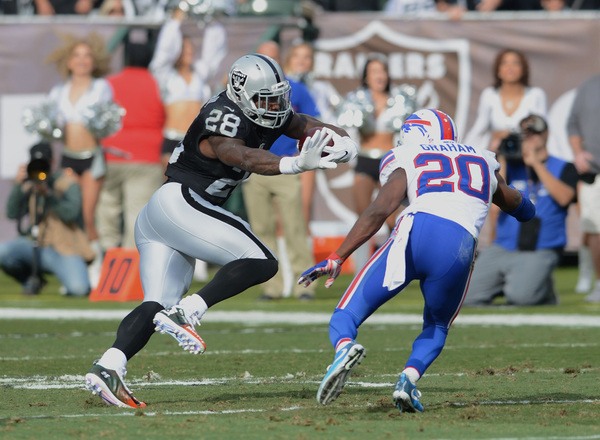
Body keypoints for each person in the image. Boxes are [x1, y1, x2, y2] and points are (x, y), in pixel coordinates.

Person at [84, 53, 358, 408]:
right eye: (265, 99)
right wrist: (292, 164)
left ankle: (109, 365)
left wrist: (344, 141)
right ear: (241, 93)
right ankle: (189, 310)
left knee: (156, 305)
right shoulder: (223, 114)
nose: (275, 106)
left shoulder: (265, 110)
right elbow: (238, 155)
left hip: (164, 215)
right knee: (262, 260)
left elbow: (305, 124)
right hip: (180, 203)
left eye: (278, 97)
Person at [298, 109, 535, 413]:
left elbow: (381, 208)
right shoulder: (482, 159)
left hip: (416, 233)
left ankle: (344, 347)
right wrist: (528, 207)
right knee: (437, 324)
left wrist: (337, 256)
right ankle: (408, 379)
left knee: (347, 313)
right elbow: (517, 205)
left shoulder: (407, 154)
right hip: (461, 246)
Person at [464, 114, 578, 306]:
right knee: (466, 296)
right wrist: (500, 158)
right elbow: (494, 203)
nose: (530, 138)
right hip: (504, 245)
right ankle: (518, 281)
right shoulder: (510, 167)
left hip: (541, 247)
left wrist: (536, 164)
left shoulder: (564, 167)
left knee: (521, 298)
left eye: (535, 133)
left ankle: (541, 288)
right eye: (525, 134)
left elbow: (565, 197)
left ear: (546, 134)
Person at [242, 40, 320, 301]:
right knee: (261, 228)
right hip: (255, 166)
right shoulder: (245, 91)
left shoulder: (296, 89)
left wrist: (302, 154)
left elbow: (312, 122)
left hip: (286, 165)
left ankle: (304, 285)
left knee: (295, 227)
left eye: (271, 58)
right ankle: (271, 287)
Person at [44, 32, 115, 287]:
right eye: (77, 55)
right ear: (69, 61)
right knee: (70, 216)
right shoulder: (58, 91)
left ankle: (96, 268)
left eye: (87, 56)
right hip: (67, 159)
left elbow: (105, 122)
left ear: (94, 61)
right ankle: (75, 268)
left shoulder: (101, 87)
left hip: (91, 158)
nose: (82, 60)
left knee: (87, 215)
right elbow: (52, 126)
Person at [336, 54, 417, 270]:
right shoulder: (356, 99)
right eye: (374, 71)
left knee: (391, 217)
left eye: (382, 71)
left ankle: (398, 266)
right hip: (364, 160)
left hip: (389, 161)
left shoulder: (400, 98)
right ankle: (361, 270)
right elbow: (342, 123)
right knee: (363, 217)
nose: (379, 75)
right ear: (366, 77)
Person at [97, 29, 166, 254]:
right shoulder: (157, 83)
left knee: (107, 209)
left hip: (112, 154)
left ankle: (106, 256)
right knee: (137, 214)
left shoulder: (108, 83)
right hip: (147, 157)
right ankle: (130, 265)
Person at [0, 143, 94, 297]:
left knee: (79, 289)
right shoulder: (29, 184)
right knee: (3, 251)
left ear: (52, 162)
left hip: (65, 248)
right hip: (36, 245)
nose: (41, 169)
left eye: (44, 163)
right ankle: (31, 280)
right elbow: (12, 213)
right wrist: (18, 185)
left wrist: (48, 194)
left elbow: (70, 214)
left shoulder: (67, 184)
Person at [149, 6, 226, 173]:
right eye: (184, 48)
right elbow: (163, 53)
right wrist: (176, 21)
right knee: (171, 180)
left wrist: (212, 22)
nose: (189, 51)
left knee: (196, 182)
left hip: (196, 137)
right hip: (172, 138)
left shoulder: (199, 73)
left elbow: (214, 53)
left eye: (191, 48)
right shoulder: (166, 76)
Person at [283, 41, 341, 226]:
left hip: (306, 149)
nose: (301, 61)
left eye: (307, 57)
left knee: (303, 207)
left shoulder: (319, 87)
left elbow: (324, 118)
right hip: (281, 151)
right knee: (281, 212)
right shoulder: (280, 84)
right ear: (289, 59)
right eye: (297, 56)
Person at [464, 48, 547, 153]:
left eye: (515, 63)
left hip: (527, 153)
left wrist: (513, 135)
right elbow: (479, 127)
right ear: (498, 70)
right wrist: (466, 150)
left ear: (523, 70)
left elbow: (542, 128)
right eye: (504, 63)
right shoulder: (489, 94)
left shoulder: (536, 95)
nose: (510, 67)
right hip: (498, 153)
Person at [567, 73, 600, 302]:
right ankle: (598, 282)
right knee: (594, 228)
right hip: (594, 171)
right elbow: (573, 124)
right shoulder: (589, 86)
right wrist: (578, 153)